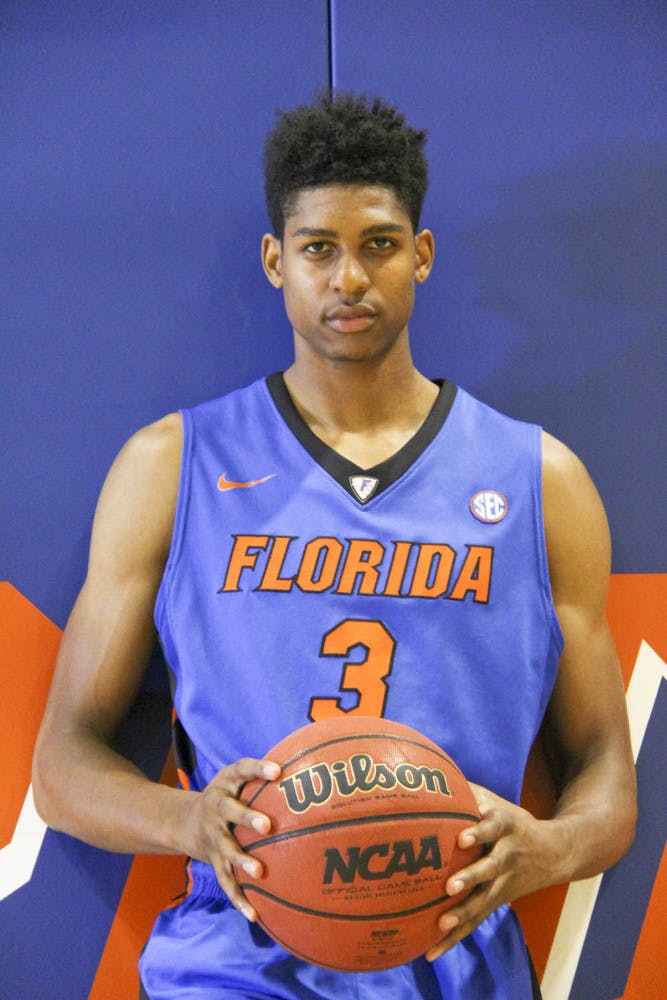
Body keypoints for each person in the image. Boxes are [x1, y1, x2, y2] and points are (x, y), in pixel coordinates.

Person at [33, 93, 637, 999]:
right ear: (277, 263)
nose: (348, 277)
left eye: (379, 244)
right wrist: (189, 821)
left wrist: (546, 848)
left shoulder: (539, 481)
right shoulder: (174, 465)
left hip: (451, 960)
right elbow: (62, 770)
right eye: (318, 248)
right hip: (233, 962)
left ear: (421, 257)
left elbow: (606, 786)